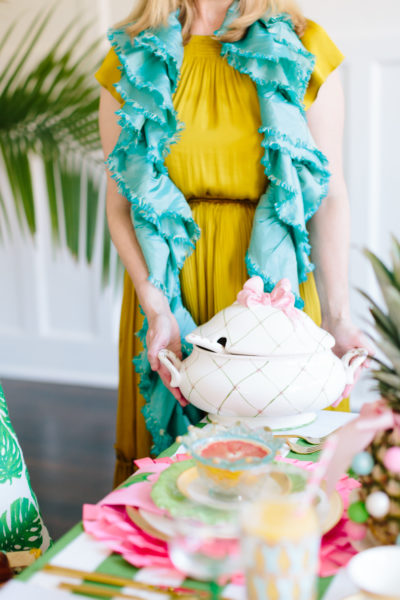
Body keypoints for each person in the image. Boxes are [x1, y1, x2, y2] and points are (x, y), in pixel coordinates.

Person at [97, 0, 369, 487]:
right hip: (164, 291)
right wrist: (155, 307)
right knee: (168, 492)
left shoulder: (302, 45)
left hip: (274, 298)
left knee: (286, 487)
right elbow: (120, 203)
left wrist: (338, 314)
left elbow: (328, 197)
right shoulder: (130, 54)